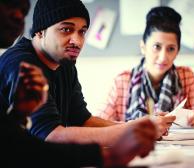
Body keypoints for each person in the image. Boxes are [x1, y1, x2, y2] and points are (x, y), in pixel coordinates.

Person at [0, 1, 157, 167]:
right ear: (40, 31)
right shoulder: (21, 63)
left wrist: (136, 127)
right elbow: (50, 135)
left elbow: (82, 119)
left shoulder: (63, 62)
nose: (77, 41)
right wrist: (123, 137)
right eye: (66, 29)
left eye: (82, 32)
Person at [99, 6, 194, 128]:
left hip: (176, 147)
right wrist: (133, 126)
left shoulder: (186, 76)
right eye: (156, 47)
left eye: (171, 49)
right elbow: (99, 122)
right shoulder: (122, 81)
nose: (163, 57)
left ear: (177, 51)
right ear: (143, 47)